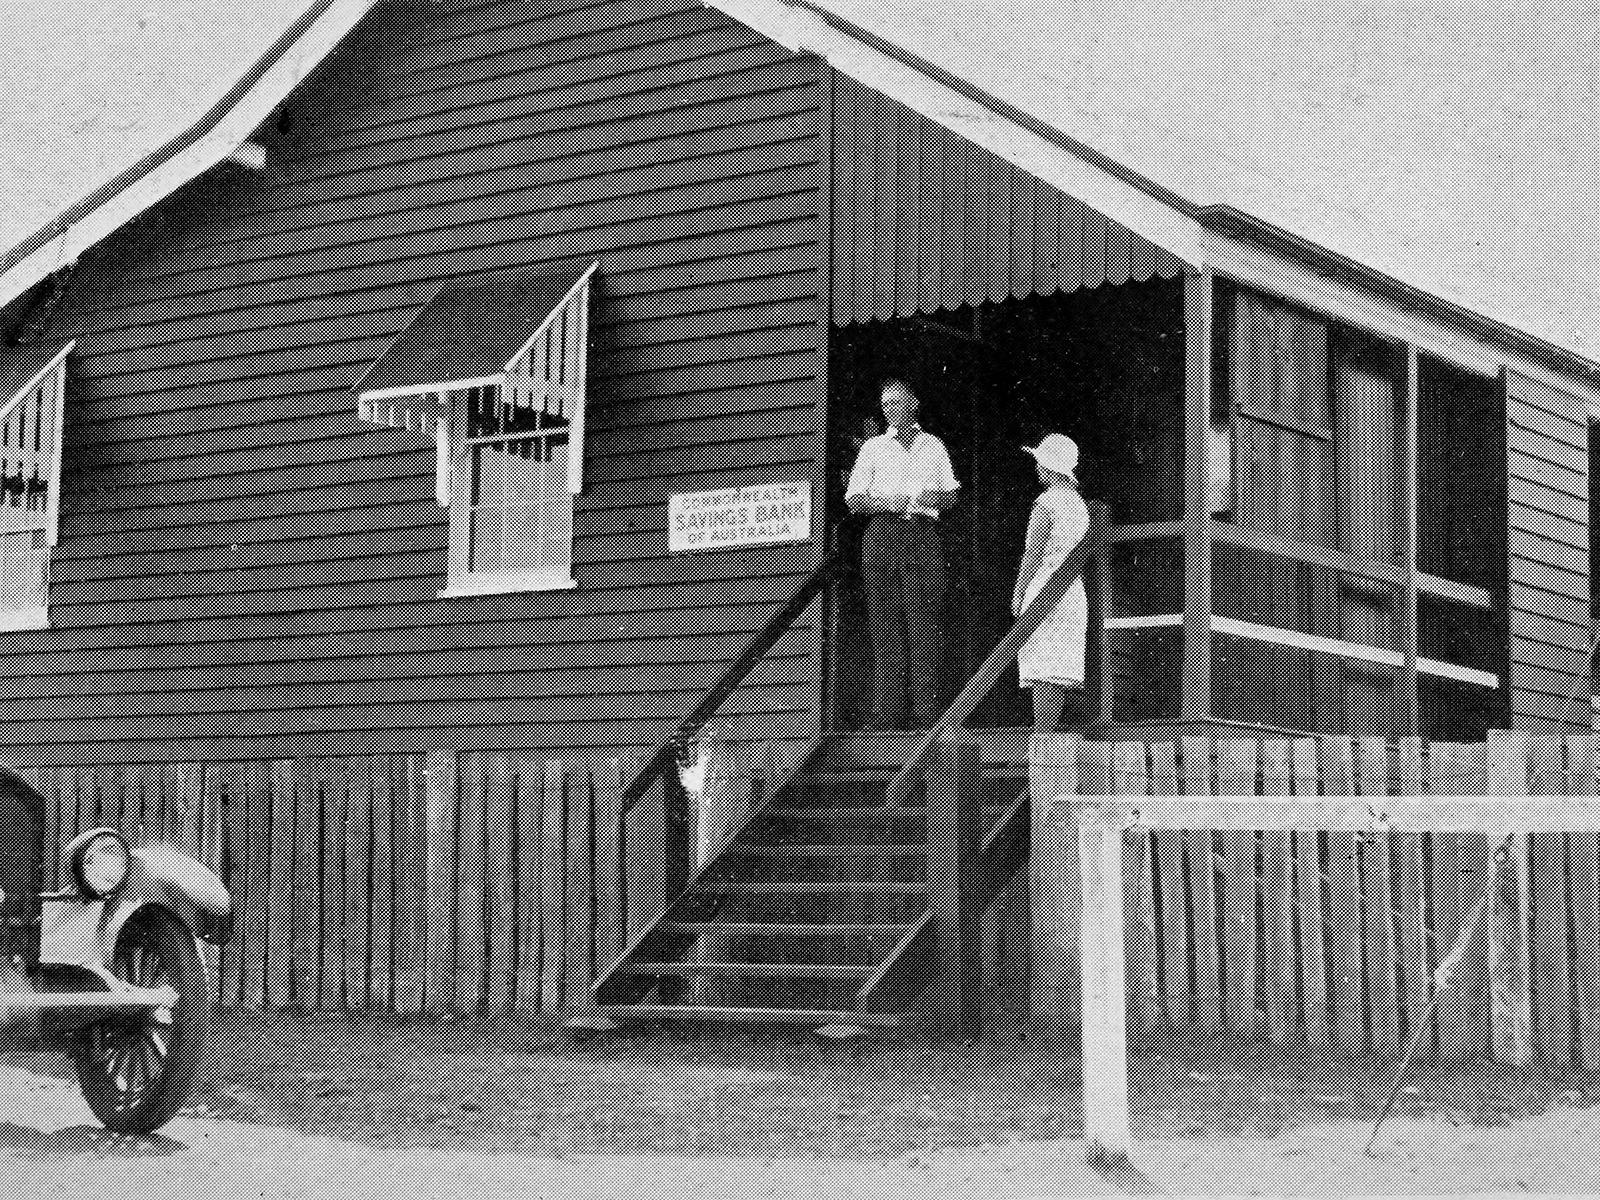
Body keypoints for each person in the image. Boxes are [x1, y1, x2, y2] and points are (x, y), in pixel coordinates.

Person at [845, 379, 960, 730]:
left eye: (896, 403)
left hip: (922, 536)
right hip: (882, 535)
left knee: (923, 623)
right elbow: (853, 499)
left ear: (913, 404)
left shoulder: (933, 447)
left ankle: (925, 714)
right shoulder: (873, 450)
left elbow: (951, 495)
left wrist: (933, 498)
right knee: (885, 625)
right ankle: (888, 714)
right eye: (885, 405)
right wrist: (885, 501)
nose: (890, 410)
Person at [1012, 433, 1090, 731]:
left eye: (1039, 464)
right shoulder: (1079, 505)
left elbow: (1032, 553)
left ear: (1048, 467)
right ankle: (1050, 731)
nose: (1036, 469)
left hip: (1045, 589)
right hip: (1071, 592)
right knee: (1059, 668)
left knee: (1044, 667)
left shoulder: (1046, 503)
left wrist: (1018, 593)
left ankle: (1043, 733)